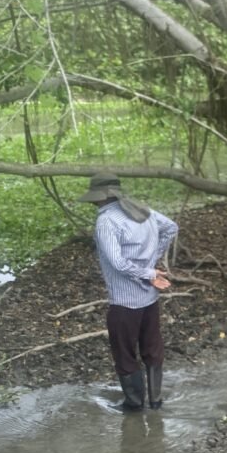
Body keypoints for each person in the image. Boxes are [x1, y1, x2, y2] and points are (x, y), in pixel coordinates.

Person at [77, 174, 178, 411]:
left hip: (124, 302)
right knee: (152, 348)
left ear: (98, 199)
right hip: (149, 299)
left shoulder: (106, 222)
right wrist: (151, 264)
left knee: (124, 353)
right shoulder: (143, 211)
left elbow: (119, 264)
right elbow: (171, 227)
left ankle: (133, 405)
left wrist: (149, 273)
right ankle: (155, 401)